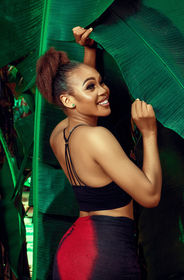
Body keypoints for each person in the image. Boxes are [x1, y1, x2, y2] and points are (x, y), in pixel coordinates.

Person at [36, 26, 162, 280]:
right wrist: (148, 133)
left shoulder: (59, 134)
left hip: (74, 249)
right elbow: (150, 195)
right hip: (104, 252)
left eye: (100, 82)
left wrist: (89, 50)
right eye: (91, 87)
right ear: (68, 101)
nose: (103, 90)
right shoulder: (98, 138)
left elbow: (79, 102)